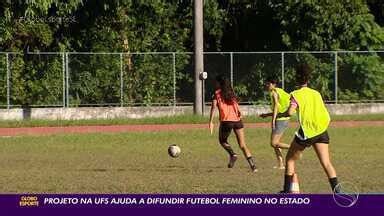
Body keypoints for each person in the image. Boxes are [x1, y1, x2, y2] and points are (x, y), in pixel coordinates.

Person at [277, 64, 339, 193]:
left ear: (296, 79)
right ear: (308, 79)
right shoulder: (316, 93)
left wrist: (280, 114)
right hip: (321, 130)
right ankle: (338, 193)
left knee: (290, 160)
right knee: (326, 163)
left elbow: (290, 112)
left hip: (307, 131)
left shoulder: (296, 94)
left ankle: (287, 191)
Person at [209, 75, 257, 172]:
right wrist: (239, 113)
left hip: (227, 121)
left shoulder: (217, 93)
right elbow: (236, 105)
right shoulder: (231, 92)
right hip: (237, 120)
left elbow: (213, 107)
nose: (215, 83)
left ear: (219, 83)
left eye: (216, 82)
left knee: (222, 141)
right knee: (243, 145)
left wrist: (211, 121)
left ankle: (232, 154)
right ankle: (253, 166)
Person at [259, 77, 291, 169]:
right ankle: (281, 165)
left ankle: (294, 148)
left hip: (280, 121)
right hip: (283, 119)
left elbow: (276, 106)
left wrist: (272, 121)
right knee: (276, 143)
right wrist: (267, 115)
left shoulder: (274, 93)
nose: (267, 85)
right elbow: (279, 109)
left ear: (273, 84)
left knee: (273, 143)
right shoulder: (279, 91)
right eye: (266, 84)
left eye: (268, 84)